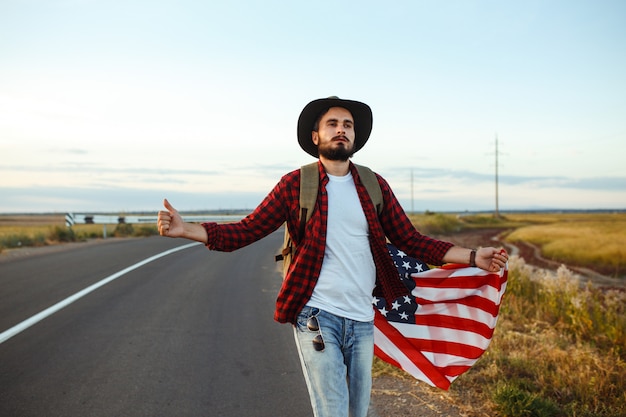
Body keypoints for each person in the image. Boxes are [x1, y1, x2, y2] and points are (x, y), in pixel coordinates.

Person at [157, 96, 509, 417]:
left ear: (354, 137)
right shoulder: (296, 185)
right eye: (333, 124)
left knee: (357, 413)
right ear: (316, 137)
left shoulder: (374, 185)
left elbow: (411, 239)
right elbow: (247, 230)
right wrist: (185, 229)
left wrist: (474, 256)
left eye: (348, 125)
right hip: (316, 315)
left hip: (362, 319)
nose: (341, 130)